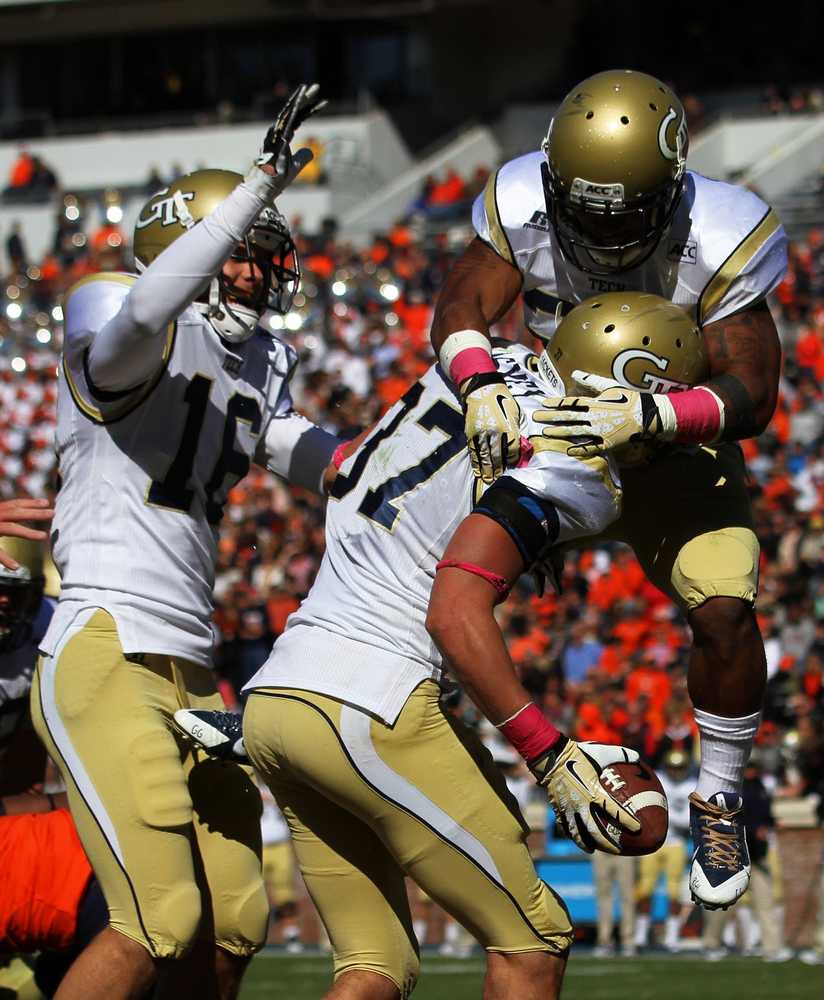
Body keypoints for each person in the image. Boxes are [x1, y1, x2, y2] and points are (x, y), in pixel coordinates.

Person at [175, 297, 707, 999]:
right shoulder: (574, 464)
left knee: (375, 968)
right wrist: (548, 753)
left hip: (281, 696)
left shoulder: (470, 375)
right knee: (534, 942)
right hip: (370, 699)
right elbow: (453, 612)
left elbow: (359, 471)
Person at [429, 68, 789, 910]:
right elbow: (458, 306)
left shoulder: (723, 230)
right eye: (578, 207)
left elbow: (755, 392)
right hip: (554, 435)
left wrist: (659, 419)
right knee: (431, 567)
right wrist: (481, 382)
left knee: (727, 610)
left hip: (675, 446)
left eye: (616, 214)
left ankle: (722, 791)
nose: (593, 229)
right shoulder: (522, 198)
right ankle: (368, 699)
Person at [29, 84, 339, 1000]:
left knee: (237, 916)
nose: (261, 272)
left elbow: (316, 458)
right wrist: (250, 189)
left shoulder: (259, 363)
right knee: (157, 919)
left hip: (192, 665)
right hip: (103, 643)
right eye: (244, 255)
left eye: (264, 257)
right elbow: (136, 324)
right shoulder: (114, 310)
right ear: (194, 247)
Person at [633, 750, 693, 952]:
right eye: (673, 767)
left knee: (674, 890)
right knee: (645, 888)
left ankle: (672, 935)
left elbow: (687, 820)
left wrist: (665, 814)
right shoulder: (657, 780)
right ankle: (641, 934)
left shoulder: (690, 785)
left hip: (675, 843)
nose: (676, 772)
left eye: (680, 768)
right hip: (653, 842)